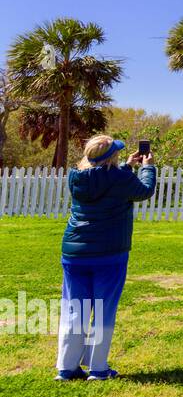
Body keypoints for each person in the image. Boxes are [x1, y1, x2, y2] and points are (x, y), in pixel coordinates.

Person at [55, 135, 157, 381]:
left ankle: (66, 368)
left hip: (74, 253)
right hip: (109, 253)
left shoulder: (76, 177)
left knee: (74, 308)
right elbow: (144, 191)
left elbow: (103, 180)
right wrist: (148, 167)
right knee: (103, 310)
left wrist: (126, 167)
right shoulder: (119, 178)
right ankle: (98, 368)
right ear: (111, 156)